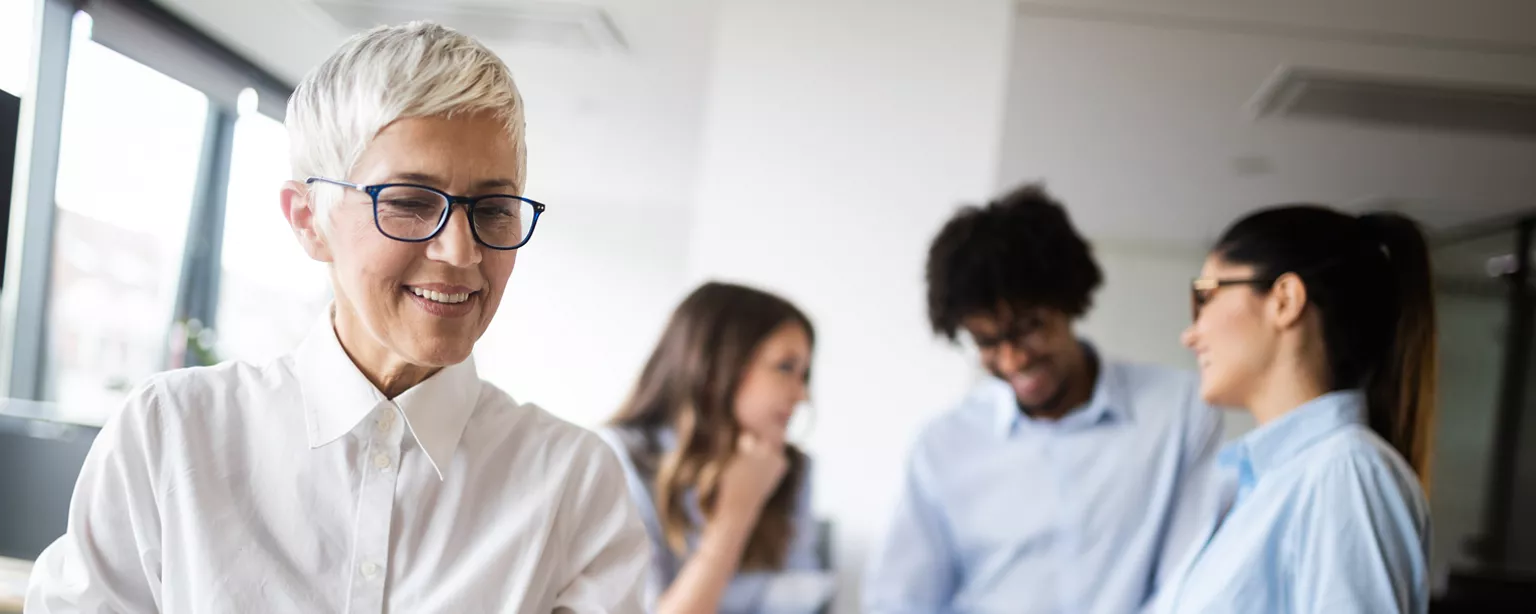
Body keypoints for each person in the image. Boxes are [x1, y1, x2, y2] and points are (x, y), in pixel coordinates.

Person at [27, 22, 647, 612]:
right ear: (307, 219)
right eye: (408, 201)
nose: (461, 253)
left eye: (493, 208)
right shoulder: (170, 437)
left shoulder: (574, 482)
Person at [863, 184, 1225, 614]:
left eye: (1029, 327)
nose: (1013, 358)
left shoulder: (1178, 410)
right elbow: (900, 600)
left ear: (1069, 302)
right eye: (987, 341)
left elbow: (1189, 583)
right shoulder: (943, 445)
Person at [1147, 205, 1435, 613]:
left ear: (1285, 300)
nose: (1190, 334)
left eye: (1205, 296)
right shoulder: (1259, 483)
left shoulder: (1345, 471)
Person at [598, 282, 828, 614]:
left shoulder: (789, 469)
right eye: (785, 367)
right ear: (717, 366)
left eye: (804, 374)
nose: (802, 394)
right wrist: (737, 512)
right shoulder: (620, 459)